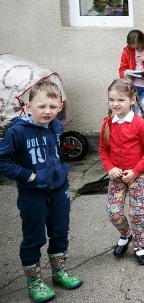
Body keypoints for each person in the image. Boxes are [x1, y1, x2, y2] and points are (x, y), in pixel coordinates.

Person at [0, 81, 83, 302]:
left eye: (53, 107)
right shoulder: (17, 132)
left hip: (59, 191)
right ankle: (34, 281)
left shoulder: (56, 126)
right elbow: (3, 161)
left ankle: (58, 272)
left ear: (60, 107)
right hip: (32, 194)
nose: (47, 112)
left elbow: (55, 153)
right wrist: (30, 176)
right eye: (41, 106)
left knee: (60, 232)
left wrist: (60, 173)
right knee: (34, 238)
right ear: (28, 107)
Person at [99, 79, 144, 265]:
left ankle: (139, 246)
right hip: (117, 177)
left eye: (121, 100)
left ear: (132, 100)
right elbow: (103, 150)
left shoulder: (140, 124)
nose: (115, 104)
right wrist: (110, 168)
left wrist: (136, 171)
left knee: (136, 213)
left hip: (137, 176)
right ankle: (126, 235)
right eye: (111, 100)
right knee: (113, 212)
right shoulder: (108, 124)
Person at [119, 29, 144, 116]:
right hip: (132, 87)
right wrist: (124, 75)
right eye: (134, 48)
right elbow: (122, 68)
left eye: (139, 46)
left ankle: (137, 129)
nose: (137, 49)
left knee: (139, 115)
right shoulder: (127, 50)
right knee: (129, 115)